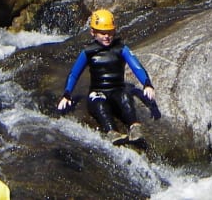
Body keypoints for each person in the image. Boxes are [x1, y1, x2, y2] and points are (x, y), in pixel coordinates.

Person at [58, 9, 156, 144]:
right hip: (98, 92)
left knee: (125, 98)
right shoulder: (88, 52)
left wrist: (147, 84)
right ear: (93, 32)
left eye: (110, 32)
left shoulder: (121, 49)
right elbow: (74, 74)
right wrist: (67, 94)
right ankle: (111, 132)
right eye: (103, 33)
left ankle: (135, 127)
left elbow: (137, 67)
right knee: (99, 104)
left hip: (117, 89)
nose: (107, 36)